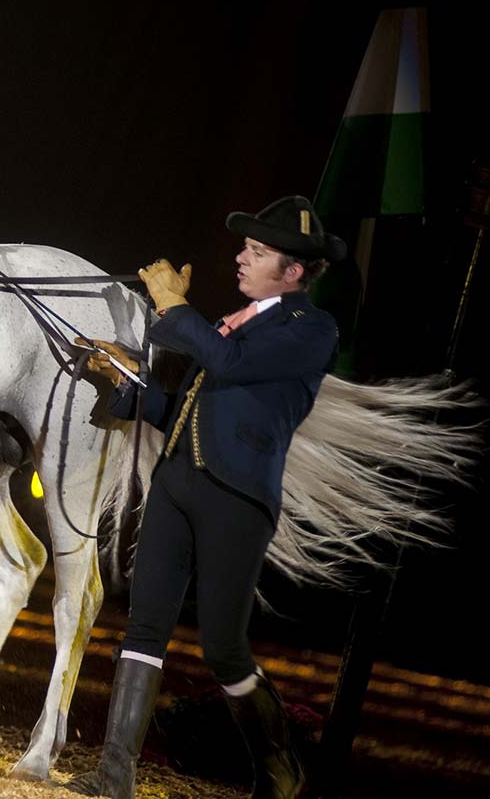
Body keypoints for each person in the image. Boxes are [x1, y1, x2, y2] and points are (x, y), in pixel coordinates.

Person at [68, 195, 346, 799]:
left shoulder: (310, 330)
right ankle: (115, 776)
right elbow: (183, 416)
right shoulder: (233, 322)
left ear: (294, 272)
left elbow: (228, 363)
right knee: (143, 628)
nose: (241, 257)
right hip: (176, 484)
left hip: (236, 501)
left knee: (223, 646)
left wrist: (174, 305)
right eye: (246, 247)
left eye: (258, 251)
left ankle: (277, 766)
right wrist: (126, 384)